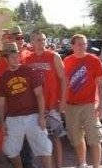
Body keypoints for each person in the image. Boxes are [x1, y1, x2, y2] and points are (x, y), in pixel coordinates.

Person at [0, 42, 53, 168]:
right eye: (12, 57)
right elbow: (1, 103)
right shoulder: (3, 78)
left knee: (44, 147)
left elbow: (39, 95)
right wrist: (2, 122)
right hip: (13, 118)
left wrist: (41, 117)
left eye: (17, 56)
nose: (16, 59)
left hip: (32, 115)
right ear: (6, 59)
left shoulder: (29, 71)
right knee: (10, 149)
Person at [24, 30, 67, 168]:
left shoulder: (54, 56)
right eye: (38, 40)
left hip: (52, 105)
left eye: (43, 39)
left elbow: (63, 79)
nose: (42, 42)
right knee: (40, 140)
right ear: (32, 42)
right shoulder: (27, 60)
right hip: (35, 108)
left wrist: (63, 101)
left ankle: (58, 165)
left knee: (56, 138)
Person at [63, 34, 102, 168]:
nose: (83, 46)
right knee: (76, 138)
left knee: (94, 138)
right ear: (73, 46)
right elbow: (64, 83)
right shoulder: (67, 61)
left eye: (85, 44)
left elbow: (101, 84)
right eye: (80, 44)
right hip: (71, 106)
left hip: (89, 105)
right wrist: (62, 102)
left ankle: (96, 166)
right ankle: (82, 164)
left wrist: (101, 105)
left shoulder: (94, 60)